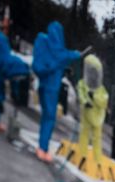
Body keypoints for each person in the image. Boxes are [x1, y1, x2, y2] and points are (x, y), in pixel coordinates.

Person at [32, 21, 82, 162]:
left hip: (42, 85)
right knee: (49, 118)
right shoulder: (59, 51)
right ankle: (42, 149)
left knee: (45, 117)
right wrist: (76, 55)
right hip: (51, 89)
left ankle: (42, 147)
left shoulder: (44, 43)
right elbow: (66, 55)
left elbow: (59, 58)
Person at [77, 54, 108, 164]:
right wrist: (85, 101)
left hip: (97, 117)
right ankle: (82, 156)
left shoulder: (101, 89)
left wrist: (93, 96)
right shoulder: (82, 83)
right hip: (86, 114)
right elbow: (81, 94)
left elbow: (103, 102)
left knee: (96, 139)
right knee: (84, 135)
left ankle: (97, 161)